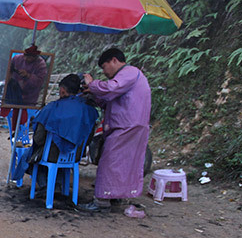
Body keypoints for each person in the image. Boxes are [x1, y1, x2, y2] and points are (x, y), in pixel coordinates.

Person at [78, 47, 151, 213]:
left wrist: (92, 83)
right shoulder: (127, 78)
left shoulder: (129, 72)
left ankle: (102, 202)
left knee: (109, 162)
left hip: (126, 126)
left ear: (114, 60)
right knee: (123, 165)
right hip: (130, 125)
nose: (104, 72)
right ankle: (115, 196)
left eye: (104, 67)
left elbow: (110, 88)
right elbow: (108, 102)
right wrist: (93, 94)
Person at [12, 74, 98, 190]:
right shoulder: (89, 110)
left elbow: (38, 139)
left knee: (29, 157)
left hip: (51, 155)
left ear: (62, 90)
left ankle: (45, 185)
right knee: (58, 153)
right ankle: (58, 184)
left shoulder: (52, 108)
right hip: (75, 156)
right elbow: (87, 139)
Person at [3, 44, 48, 124]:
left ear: (34, 57)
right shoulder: (16, 58)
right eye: (25, 56)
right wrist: (9, 77)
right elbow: (9, 69)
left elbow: (40, 82)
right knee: (14, 116)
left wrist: (28, 75)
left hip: (30, 97)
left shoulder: (41, 64)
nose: (26, 59)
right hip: (15, 94)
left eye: (29, 57)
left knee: (26, 118)